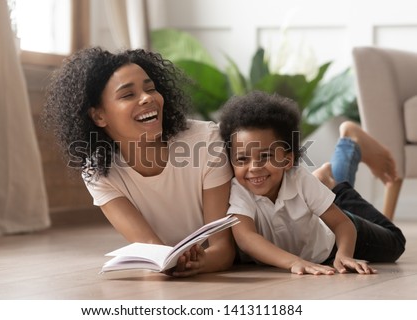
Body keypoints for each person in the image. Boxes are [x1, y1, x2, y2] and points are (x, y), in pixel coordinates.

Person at [43, 47, 235, 277]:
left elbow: (223, 249)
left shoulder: (204, 140)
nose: (147, 98)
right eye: (127, 95)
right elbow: (150, 247)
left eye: (151, 88)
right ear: (99, 116)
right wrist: (172, 263)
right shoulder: (98, 172)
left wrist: (200, 262)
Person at [218, 90, 406, 275]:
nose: (254, 167)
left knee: (395, 242)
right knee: (316, 193)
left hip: (329, 245)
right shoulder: (239, 189)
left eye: (266, 156)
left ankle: (342, 168)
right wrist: (295, 262)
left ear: (287, 160)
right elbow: (247, 238)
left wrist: (344, 254)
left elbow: (342, 224)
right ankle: (325, 181)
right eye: (242, 159)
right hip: (305, 242)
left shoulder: (298, 178)